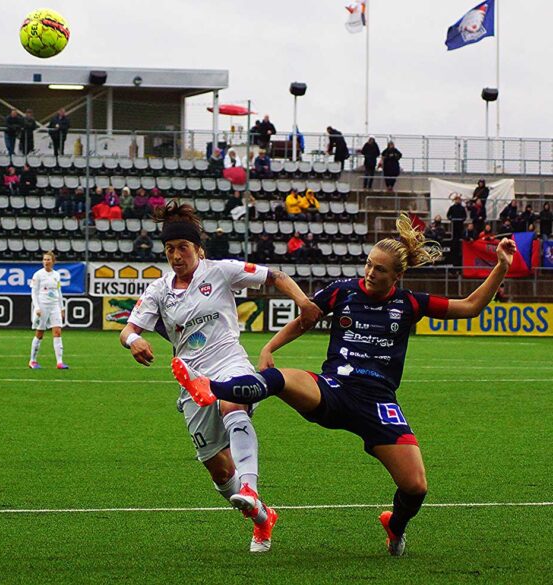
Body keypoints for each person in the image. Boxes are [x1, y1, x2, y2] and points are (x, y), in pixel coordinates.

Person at [170, 214, 517, 557]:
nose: (370, 273)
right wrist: (269, 347)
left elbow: (470, 306)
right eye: (368, 264)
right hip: (333, 388)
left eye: (380, 269)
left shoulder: (409, 303)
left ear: (397, 275)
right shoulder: (343, 291)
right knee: (280, 379)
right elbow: (305, 319)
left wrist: (501, 265)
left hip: (378, 403)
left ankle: (395, 527)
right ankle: (212, 388)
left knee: (415, 486)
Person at [119, 201, 321, 553]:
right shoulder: (159, 290)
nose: (176, 255)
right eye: (170, 249)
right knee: (217, 468)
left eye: (183, 248)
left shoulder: (221, 270)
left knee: (233, 403)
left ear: (198, 249)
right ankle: (261, 517)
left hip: (230, 363)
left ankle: (251, 488)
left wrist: (303, 302)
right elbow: (127, 330)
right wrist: (135, 341)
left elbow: (275, 276)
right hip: (192, 380)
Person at [29, 251, 69, 370]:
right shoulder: (38, 275)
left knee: (57, 332)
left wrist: (61, 307)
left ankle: (60, 362)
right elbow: (34, 292)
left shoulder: (56, 275)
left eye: (48, 260)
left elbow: (58, 292)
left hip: (54, 306)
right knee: (40, 333)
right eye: (44, 259)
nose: (46, 262)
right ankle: (32, 360)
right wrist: (37, 307)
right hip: (42, 306)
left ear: (53, 261)